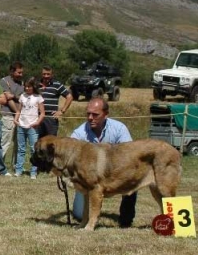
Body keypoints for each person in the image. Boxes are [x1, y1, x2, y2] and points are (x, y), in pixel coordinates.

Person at [71, 97, 137, 228]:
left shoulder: (119, 129)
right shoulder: (79, 133)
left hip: (116, 173)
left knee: (133, 179)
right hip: (89, 179)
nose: (90, 118)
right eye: (88, 114)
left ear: (106, 114)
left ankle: (126, 218)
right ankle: (88, 214)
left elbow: (130, 155)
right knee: (78, 215)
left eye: (95, 115)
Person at [13, 77, 44, 179]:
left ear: (33, 87)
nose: (27, 88)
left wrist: (37, 123)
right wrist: (16, 120)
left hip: (32, 127)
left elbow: (42, 113)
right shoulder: (22, 96)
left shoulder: (38, 97)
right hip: (21, 125)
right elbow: (19, 110)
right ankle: (19, 170)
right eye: (25, 86)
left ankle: (33, 171)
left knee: (33, 149)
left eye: (29, 87)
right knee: (21, 149)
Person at [0, 61, 25, 169]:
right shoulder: (4, 81)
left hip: (20, 116)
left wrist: (13, 96)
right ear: (12, 71)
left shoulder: (22, 83)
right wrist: (17, 111)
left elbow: (21, 98)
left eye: (22, 72)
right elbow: (7, 99)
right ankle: (0, 166)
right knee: (5, 141)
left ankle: (16, 165)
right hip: (8, 115)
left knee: (18, 142)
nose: (21, 75)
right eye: (19, 72)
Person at [38, 64, 73, 138]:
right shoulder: (36, 85)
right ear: (41, 74)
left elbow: (69, 97)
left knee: (51, 143)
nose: (46, 76)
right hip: (38, 117)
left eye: (48, 74)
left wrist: (62, 111)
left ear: (52, 74)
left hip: (51, 118)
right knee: (38, 142)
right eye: (44, 74)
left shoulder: (57, 84)